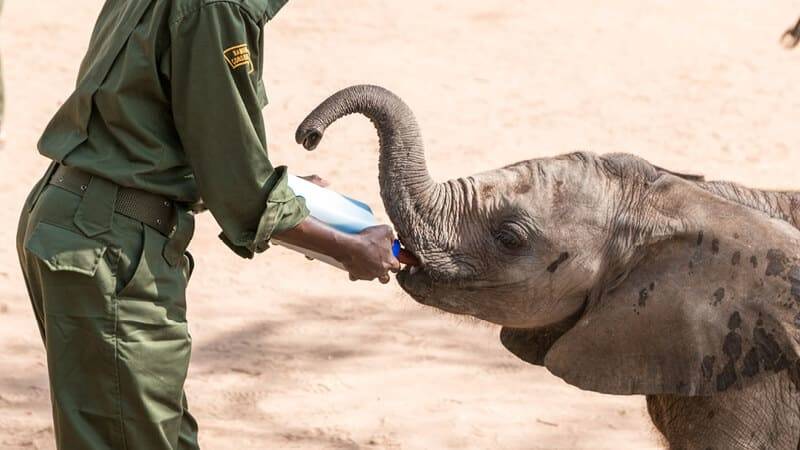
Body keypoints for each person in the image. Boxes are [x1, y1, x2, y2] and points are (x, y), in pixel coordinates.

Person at [16, 1, 400, 449]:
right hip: (110, 246)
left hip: (78, 216)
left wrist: (286, 194)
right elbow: (240, 188)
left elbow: (159, 120)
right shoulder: (219, 8)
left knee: (154, 433)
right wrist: (347, 247)